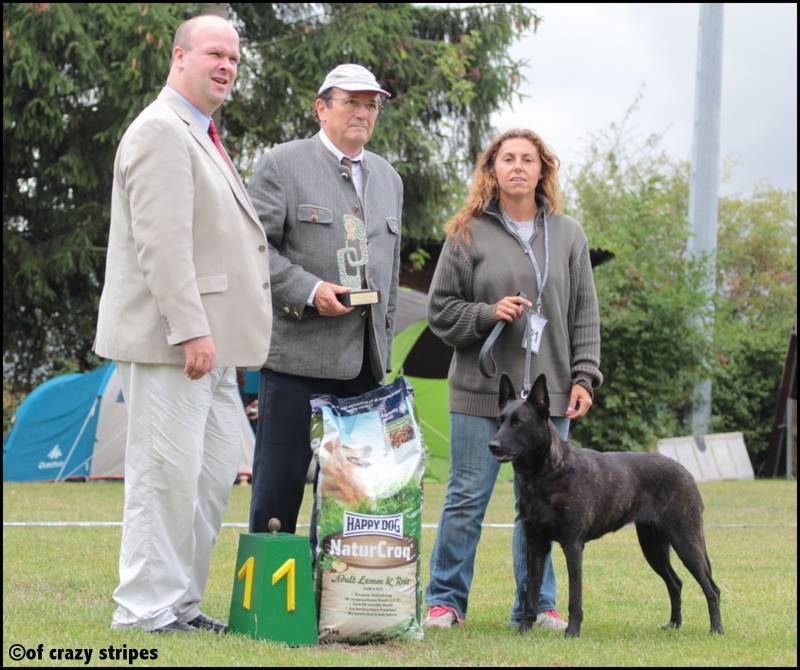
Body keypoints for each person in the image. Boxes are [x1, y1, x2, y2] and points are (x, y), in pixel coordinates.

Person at [94, 15, 272, 634]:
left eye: (234, 60)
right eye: (215, 54)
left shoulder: (202, 132)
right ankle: (143, 611)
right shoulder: (160, 132)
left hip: (213, 348)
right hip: (175, 343)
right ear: (179, 57)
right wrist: (191, 330)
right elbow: (162, 246)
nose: (227, 66)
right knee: (163, 478)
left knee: (209, 478)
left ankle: (180, 604)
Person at [423, 128, 602, 630]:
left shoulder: (569, 234)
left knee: (546, 505)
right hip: (482, 393)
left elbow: (585, 311)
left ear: (543, 170)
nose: (518, 166)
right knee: (465, 496)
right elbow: (440, 310)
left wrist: (584, 376)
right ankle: (445, 602)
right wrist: (486, 313)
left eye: (529, 159)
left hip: (549, 402)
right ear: (492, 170)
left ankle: (537, 607)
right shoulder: (467, 231)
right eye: (508, 159)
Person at [247, 64, 402, 537]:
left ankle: (333, 604)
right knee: (278, 491)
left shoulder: (390, 178)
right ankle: (268, 609)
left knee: (349, 497)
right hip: (296, 361)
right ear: (321, 108)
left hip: (364, 368)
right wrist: (310, 291)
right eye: (351, 101)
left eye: (370, 104)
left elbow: (390, 273)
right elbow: (253, 250)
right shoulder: (281, 164)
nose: (363, 112)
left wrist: (385, 342)